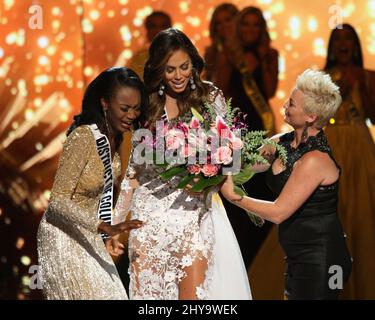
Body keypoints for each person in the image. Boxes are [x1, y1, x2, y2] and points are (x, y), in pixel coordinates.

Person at [123, 28, 251, 300]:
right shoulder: (146, 105)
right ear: (159, 70)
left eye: (184, 67)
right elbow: (134, 171)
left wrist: (212, 176)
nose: (179, 76)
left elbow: (233, 154)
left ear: (194, 64)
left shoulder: (210, 98)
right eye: (170, 70)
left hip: (193, 215)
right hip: (149, 219)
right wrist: (116, 221)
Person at [221, 69, 352, 300]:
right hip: (298, 256)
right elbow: (241, 165)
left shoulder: (315, 160)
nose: (284, 105)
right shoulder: (281, 143)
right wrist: (219, 147)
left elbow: (279, 212)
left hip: (323, 260)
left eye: (291, 103)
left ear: (311, 116)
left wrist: (234, 197)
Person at [37, 67, 148, 299]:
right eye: (124, 108)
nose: (131, 115)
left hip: (90, 234)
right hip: (62, 235)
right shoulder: (84, 137)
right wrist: (102, 226)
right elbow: (56, 201)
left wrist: (107, 236)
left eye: (136, 109)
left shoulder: (114, 141)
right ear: (105, 103)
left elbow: (99, 198)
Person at [205, 5, 278, 269]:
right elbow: (222, 92)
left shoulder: (270, 54)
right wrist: (233, 60)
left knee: (261, 188)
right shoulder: (225, 55)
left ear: (262, 30)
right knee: (235, 191)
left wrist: (263, 61)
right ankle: (238, 260)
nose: (250, 30)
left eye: (255, 25)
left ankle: (260, 263)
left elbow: (269, 90)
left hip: (259, 127)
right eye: (244, 25)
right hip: (235, 128)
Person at [323, 24, 375, 299]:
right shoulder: (321, 78)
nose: (343, 44)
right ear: (332, 47)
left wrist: (361, 87)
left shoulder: (368, 76)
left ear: (355, 45)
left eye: (348, 39)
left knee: (362, 209)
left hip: (359, 144)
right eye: (338, 39)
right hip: (329, 144)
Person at [129, 11, 172, 80]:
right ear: (147, 30)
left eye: (163, 26)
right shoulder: (139, 58)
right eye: (153, 26)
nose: (158, 30)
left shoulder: (182, 55)